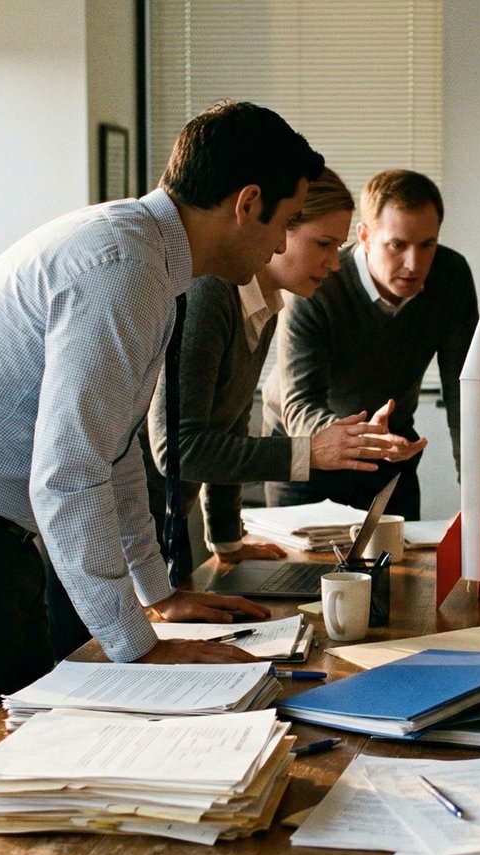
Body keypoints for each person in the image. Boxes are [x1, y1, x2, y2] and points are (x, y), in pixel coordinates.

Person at [0, 100, 320, 778]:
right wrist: (139, 646)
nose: (279, 246)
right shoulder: (121, 265)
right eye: (287, 222)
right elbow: (69, 473)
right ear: (248, 202)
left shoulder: (149, 264)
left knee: (18, 767)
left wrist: (158, 591)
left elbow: (116, 453)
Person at [145, 168, 391, 580]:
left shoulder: (268, 303)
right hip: (127, 532)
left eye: (339, 247)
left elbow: (230, 424)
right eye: (323, 245)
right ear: (280, 231)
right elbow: (178, 449)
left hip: (160, 529)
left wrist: (227, 540)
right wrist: (307, 452)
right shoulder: (210, 293)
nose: (334, 264)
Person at [262, 169, 478, 520]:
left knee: (400, 572)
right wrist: (361, 437)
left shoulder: (451, 276)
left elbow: (464, 390)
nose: (414, 263)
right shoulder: (318, 281)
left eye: (427, 245)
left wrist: (475, 490)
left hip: (389, 454)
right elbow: (299, 405)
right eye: (397, 245)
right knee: (301, 577)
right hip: (307, 460)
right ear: (364, 236)